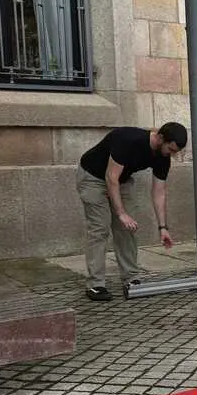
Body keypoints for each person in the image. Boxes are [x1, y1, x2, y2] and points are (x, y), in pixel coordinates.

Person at [76, 122, 188, 301]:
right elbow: (110, 178)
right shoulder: (128, 140)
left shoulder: (162, 157)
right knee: (100, 228)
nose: (172, 154)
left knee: (128, 228)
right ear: (160, 138)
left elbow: (159, 192)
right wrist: (121, 213)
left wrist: (163, 228)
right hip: (93, 177)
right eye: (171, 149)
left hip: (121, 181)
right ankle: (95, 284)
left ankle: (131, 279)